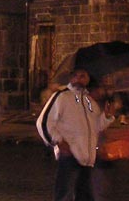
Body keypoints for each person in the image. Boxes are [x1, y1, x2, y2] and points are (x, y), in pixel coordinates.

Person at [36, 68, 116, 201]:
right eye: (76, 76)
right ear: (71, 78)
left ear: (87, 79)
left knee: (84, 196)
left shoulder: (89, 101)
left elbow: (96, 127)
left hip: (87, 159)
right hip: (70, 155)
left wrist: (107, 116)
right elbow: (43, 123)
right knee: (65, 195)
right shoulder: (62, 97)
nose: (79, 79)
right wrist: (58, 142)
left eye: (82, 76)